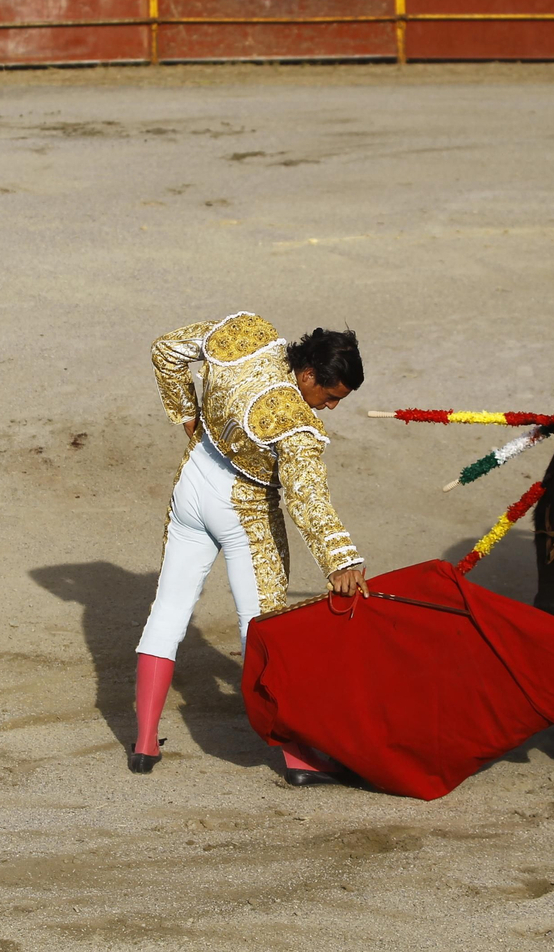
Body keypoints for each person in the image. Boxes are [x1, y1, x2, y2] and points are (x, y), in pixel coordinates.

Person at [133, 312, 368, 786]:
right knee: (263, 627)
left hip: (193, 481)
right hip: (243, 508)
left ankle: (142, 742)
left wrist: (187, 413)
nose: (331, 407)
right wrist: (340, 558)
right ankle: (299, 758)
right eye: (330, 396)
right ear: (307, 376)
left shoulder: (245, 336)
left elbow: (166, 350)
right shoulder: (294, 424)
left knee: (169, 610)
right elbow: (307, 496)